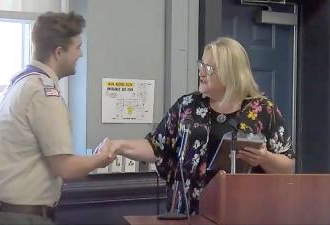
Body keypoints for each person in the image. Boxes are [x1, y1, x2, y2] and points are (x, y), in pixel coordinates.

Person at [98, 37, 295, 215]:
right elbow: (157, 146)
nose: (201, 72)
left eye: (209, 68)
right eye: (201, 64)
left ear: (230, 72)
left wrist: (264, 157)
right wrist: (118, 145)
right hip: (189, 211)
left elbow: (289, 166)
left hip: (245, 212)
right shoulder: (187, 105)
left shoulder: (263, 111)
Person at [0, 11, 115, 224]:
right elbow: (65, 168)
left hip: (5, 214)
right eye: (78, 48)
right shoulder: (42, 93)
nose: (80, 55)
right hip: (24, 217)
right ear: (59, 52)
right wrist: (103, 157)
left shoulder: (20, 84)